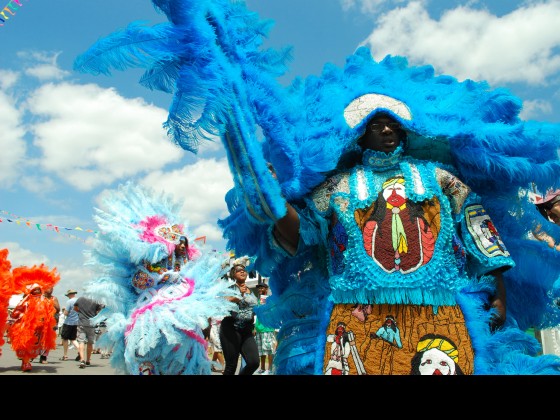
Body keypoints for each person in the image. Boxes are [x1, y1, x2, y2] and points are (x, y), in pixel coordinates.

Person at [6, 263, 60, 372]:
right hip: (26, 327)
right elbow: (17, 312)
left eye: (38, 290)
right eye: (34, 290)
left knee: (33, 347)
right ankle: (26, 363)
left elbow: (50, 312)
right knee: (25, 344)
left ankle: (26, 361)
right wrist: (13, 323)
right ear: (31, 291)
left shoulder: (44, 300)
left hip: (39, 329)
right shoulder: (26, 300)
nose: (37, 292)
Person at [219, 263, 259, 375]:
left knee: (254, 363)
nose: (242, 271)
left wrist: (253, 325)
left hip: (247, 330)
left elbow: (253, 309)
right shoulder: (230, 288)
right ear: (233, 275)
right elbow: (223, 303)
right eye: (238, 270)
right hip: (231, 328)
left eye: (244, 270)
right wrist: (237, 295)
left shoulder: (251, 290)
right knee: (231, 366)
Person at [74, 295, 103, 369]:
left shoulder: (80, 299)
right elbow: (99, 311)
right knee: (90, 342)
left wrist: (81, 312)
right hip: (91, 324)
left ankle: (82, 360)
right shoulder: (95, 300)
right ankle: (88, 360)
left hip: (82, 323)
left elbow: (75, 308)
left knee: (81, 342)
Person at [254, 281, 276, 375]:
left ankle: (269, 369)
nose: (260, 289)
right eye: (259, 288)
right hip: (259, 329)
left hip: (267, 328)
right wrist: (254, 328)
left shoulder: (270, 300)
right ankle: (262, 368)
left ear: (266, 289)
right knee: (261, 351)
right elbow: (256, 315)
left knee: (269, 350)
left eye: (262, 288)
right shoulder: (258, 301)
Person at [38, 286, 60, 364]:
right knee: (36, 339)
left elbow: (58, 309)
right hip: (39, 321)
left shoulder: (54, 298)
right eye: (49, 288)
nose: (51, 289)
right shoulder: (40, 297)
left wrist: (52, 303)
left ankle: (43, 357)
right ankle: (30, 354)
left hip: (50, 322)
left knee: (47, 340)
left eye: (52, 288)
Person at [59, 289, 80, 361]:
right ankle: (80, 350)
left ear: (70, 295)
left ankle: (65, 355)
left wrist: (65, 311)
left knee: (65, 338)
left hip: (68, 322)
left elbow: (66, 313)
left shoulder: (69, 301)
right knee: (73, 339)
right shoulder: (79, 301)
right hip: (76, 322)